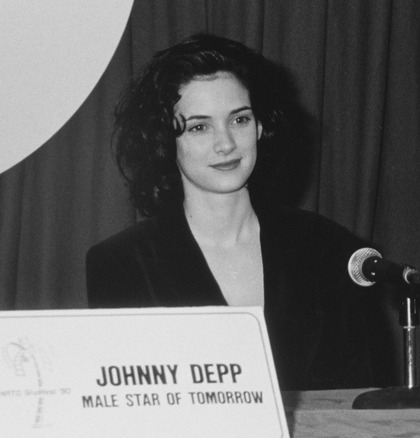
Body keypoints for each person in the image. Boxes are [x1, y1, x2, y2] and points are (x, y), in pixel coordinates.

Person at [86, 33, 391, 390]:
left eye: (239, 120)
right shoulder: (121, 263)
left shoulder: (328, 249)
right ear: (165, 141)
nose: (226, 143)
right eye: (200, 127)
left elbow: (360, 401)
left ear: (260, 126)